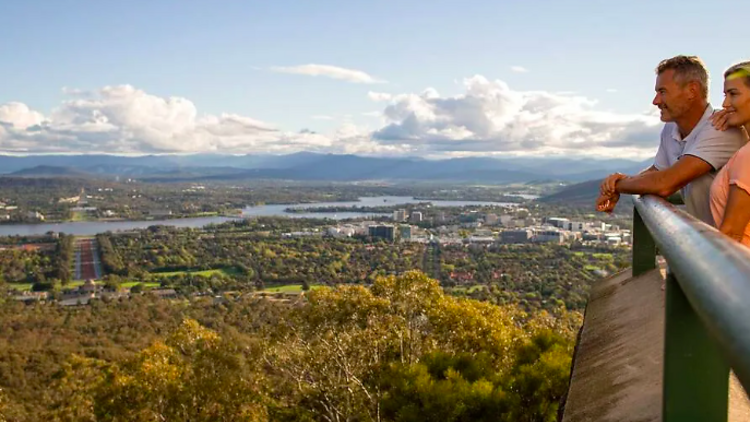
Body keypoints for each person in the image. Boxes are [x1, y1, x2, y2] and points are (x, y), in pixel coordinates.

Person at [597, 56, 746, 225]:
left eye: (663, 92)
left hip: (734, 246)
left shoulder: (721, 128)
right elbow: (657, 172)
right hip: (714, 241)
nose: (656, 101)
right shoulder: (671, 129)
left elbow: (664, 183)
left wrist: (619, 186)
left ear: (692, 90)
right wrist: (620, 183)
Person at [708, 62, 750, 245]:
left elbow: (731, 234)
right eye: (725, 95)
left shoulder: (747, 156)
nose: (725, 104)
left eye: (733, 94)